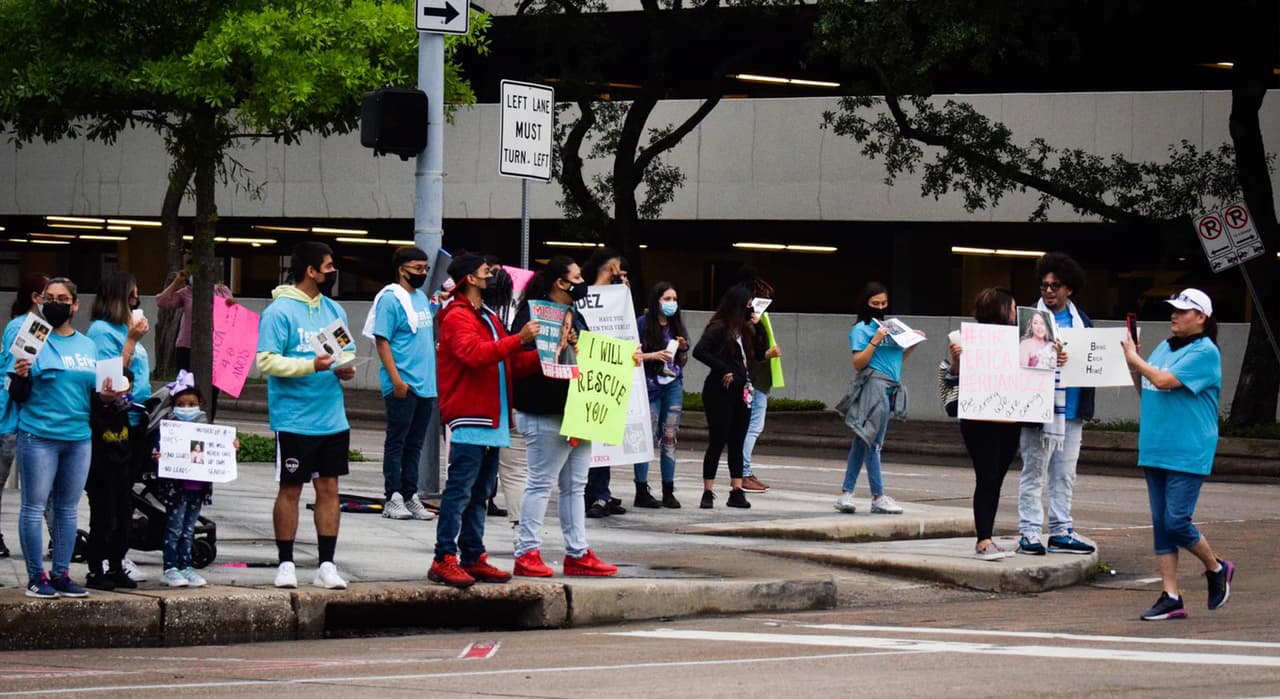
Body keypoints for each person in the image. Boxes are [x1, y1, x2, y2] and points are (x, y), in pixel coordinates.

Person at [1122, 288, 1234, 621]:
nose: (1174, 315)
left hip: (1188, 448)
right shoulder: (1164, 347)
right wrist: (1136, 364)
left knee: (1176, 521)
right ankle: (1171, 595)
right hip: (1155, 445)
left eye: (1183, 311)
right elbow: (1147, 387)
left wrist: (1136, 361)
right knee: (1161, 524)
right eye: (1173, 310)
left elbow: (1163, 380)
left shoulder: (1205, 352)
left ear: (1201, 317)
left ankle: (1216, 567)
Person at [8, 277, 123, 598]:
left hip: (79, 437)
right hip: (39, 436)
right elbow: (16, 393)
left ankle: (61, 574)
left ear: (75, 305)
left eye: (62, 298)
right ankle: (36, 577)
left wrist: (110, 395)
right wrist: (20, 375)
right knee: (34, 507)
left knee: (68, 509)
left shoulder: (88, 345)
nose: (54, 303)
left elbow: (100, 393)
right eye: (49, 298)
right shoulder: (32, 337)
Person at [430, 254, 540, 588]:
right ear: (470, 279)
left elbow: (509, 363)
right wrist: (518, 340)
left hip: (492, 417)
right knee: (461, 490)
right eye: (485, 271)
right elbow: (474, 355)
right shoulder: (457, 316)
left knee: (480, 493)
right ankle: (443, 557)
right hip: (471, 414)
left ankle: (472, 556)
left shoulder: (488, 316)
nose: (491, 275)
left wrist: (549, 355)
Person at [510, 256, 619, 577]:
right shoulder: (531, 315)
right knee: (541, 483)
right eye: (577, 276)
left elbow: (590, 354)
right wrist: (547, 351)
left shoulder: (575, 314)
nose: (581, 282)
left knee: (575, 486)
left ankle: (577, 552)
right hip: (545, 409)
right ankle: (526, 551)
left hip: (577, 410)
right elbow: (518, 361)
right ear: (561, 282)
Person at [257, 241, 357, 590]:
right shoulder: (279, 311)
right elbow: (266, 360)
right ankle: (286, 563)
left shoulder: (333, 311)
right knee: (291, 489)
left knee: (329, 488)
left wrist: (344, 369)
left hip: (332, 417)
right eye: (327, 267)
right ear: (311, 271)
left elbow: (345, 351)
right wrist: (310, 365)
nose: (332, 272)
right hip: (294, 418)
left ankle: (326, 565)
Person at [1017, 253, 1097, 556]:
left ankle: (1062, 530)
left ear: (1069, 289)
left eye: (1055, 285)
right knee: (1034, 471)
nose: (1048, 291)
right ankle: (1030, 532)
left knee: (1065, 474)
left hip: (1073, 409)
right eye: (1044, 285)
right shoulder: (1027, 319)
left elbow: (1090, 361)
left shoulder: (1083, 322)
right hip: (1040, 410)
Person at [83, 271, 153, 587]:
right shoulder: (102, 332)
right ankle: (98, 564)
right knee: (106, 500)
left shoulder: (126, 329)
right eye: (131, 297)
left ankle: (116, 561)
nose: (135, 303)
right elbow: (109, 379)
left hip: (134, 420)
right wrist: (131, 341)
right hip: (109, 423)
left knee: (124, 501)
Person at [367, 246, 437, 522]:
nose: (422, 273)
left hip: (425, 384)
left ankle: (411, 494)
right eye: (417, 268)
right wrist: (396, 379)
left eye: (425, 269)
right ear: (402, 269)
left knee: (415, 444)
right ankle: (393, 496)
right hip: (402, 383)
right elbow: (382, 340)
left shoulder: (420, 298)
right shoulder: (390, 299)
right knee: (397, 441)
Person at [949, 287, 1019, 561]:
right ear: (1001, 310)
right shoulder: (969, 339)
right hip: (979, 419)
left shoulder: (1023, 340)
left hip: (1010, 417)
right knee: (987, 476)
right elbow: (951, 377)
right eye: (1012, 308)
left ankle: (987, 535)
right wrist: (957, 359)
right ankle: (984, 539)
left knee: (996, 477)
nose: (1016, 313)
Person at [151, 371, 236, 588]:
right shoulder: (168, 428)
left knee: (189, 529)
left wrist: (230, 446)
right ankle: (170, 568)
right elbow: (158, 452)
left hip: (197, 488)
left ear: (200, 404)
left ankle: (185, 566)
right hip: (176, 489)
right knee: (174, 528)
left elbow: (218, 449)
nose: (187, 409)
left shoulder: (206, 429)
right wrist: (158, 456)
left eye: (191, 404)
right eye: (181, 404)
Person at [835, 282, 908, 516]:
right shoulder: (862, 329)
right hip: (873, 388)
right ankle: (878, 495)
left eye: (883, 303)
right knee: (873, 443)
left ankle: (847, 492)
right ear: (865, 303)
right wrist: (876, 339)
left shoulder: (889, 326)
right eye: (875, 303)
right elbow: (858, 363)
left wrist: (910, 341)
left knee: (862, 441)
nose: (879, 307)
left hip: (889, 387)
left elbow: (896, 359)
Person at [692, 285, 762, 509]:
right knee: (718, 439)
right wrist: (723, 368)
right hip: (720, 390)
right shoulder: (720, 327)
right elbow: (700, 351)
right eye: (747, 305)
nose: (750, 309)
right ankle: (708, 490)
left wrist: (759, 328)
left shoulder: (746, 331)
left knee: (737, 441)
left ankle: (736, 489)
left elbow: (759, 354)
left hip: (742, 390)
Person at [0, 272, 48, 559]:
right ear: (35, 298)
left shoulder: (29, 325)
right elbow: (16, 373)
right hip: (15, 415)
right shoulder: (29, 327)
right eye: (49, 296)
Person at [633, 282, 690, 509]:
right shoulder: (642, 324)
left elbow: (682, 362)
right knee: (647, 437)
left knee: (669, 436)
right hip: (649, 387)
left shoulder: (677, 326)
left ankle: (668, 489)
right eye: (667, 299)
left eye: (674, 299)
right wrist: (654, 355)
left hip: (673, 385)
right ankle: (641, 489)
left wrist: (683, 349)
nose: (672, 303)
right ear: (656, 300)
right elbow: (633, 355)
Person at [582, 247, 628, 518]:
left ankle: (602, 491)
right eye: (618, 266)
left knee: (605, 437)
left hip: (608, 369)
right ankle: (593, 493)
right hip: (588, 371)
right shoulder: (585, 294)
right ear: (610, 266)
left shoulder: (617, 295)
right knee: (591, 437)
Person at [739, 268, 779, 493]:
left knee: (752, 426)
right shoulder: (749, 322)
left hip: (759, 378)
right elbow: (750, 353)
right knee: (753, 427)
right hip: (755, 379)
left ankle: (744, 471)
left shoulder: (756, 319)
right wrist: (768, 354)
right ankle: (743, 472)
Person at [156, 264, 235, 374]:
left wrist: (231, 303)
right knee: (186, 385)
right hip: (187, 345)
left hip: (215, 346)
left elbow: (234, 314)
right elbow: (162, 302)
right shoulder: (185, 292)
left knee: (212, 388)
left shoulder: (221, 290)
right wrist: (177, 282)